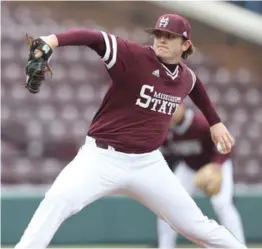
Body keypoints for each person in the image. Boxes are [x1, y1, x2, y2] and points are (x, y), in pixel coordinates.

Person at [15, 13, 245, 248]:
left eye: (169, 36)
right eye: (159, 34)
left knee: (196, 226)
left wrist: (215, 122)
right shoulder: (134, 56)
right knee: (57, 201)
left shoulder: (185, 77)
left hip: (148, 163)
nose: (162, 40)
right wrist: (52, 40)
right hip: (101, 158)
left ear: (185, 45)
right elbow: (95, 38)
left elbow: (196, 87)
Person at [157, 105, 245, 248]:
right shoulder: (165, 129)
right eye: (168, 108)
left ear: (182, 107)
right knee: (168, 203)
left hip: (216, 164)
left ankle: (240, 244)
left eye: (175, 107)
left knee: (222, 203)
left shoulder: (200, 123)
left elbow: (227, 144)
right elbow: (166, 156)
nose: (171, 112)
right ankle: (165, 246)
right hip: (189, 168)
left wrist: (216, 165)